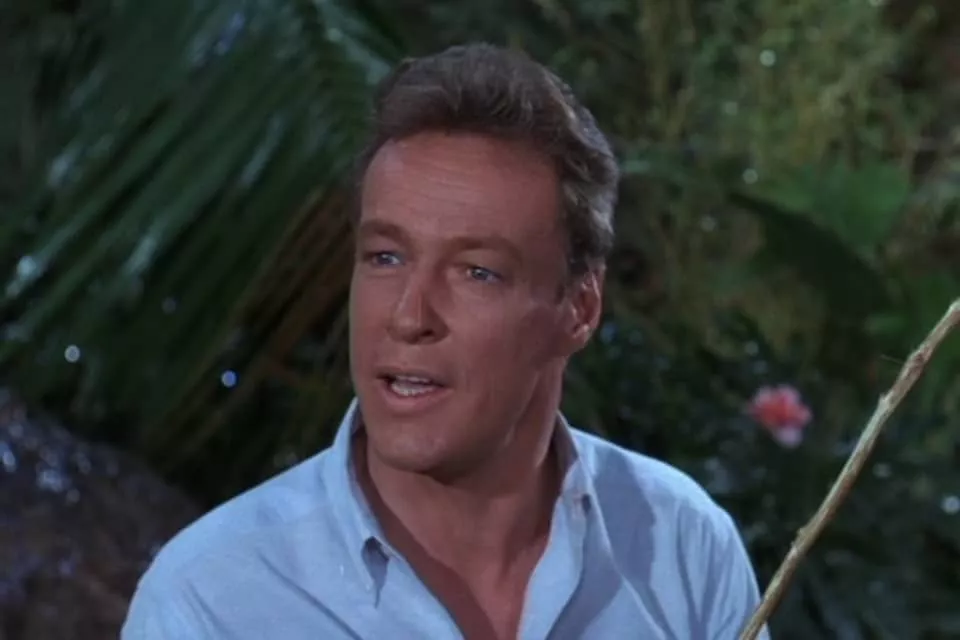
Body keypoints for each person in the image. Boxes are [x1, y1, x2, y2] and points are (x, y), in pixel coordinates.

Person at [121, 42, 769, 640]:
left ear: (579, 307)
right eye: (385, 257)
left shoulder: (679, 546)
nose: (409, 317)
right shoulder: (212, 602)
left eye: (477, 272)